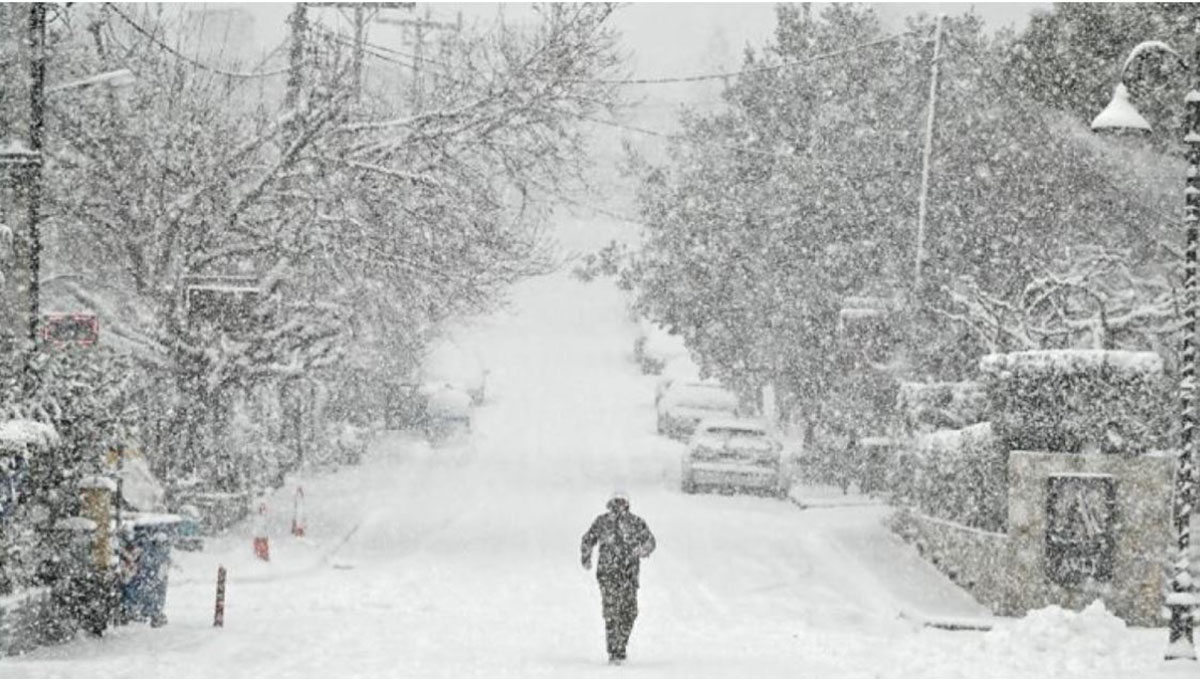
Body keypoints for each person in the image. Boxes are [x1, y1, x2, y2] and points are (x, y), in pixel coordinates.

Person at [580, 491, 656, 665]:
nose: (619, 506)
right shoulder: (602, 522)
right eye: (616, 503)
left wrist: (642, 550)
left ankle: (621, 643)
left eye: (622, 503)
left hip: (629, 576)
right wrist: (586, 557)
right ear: (611, 504)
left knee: (630, 612)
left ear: (627, 505)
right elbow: (587, 539)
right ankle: (614, 651)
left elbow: (650, 541)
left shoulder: (636, 523)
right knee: (612, 612)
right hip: (608, 575)